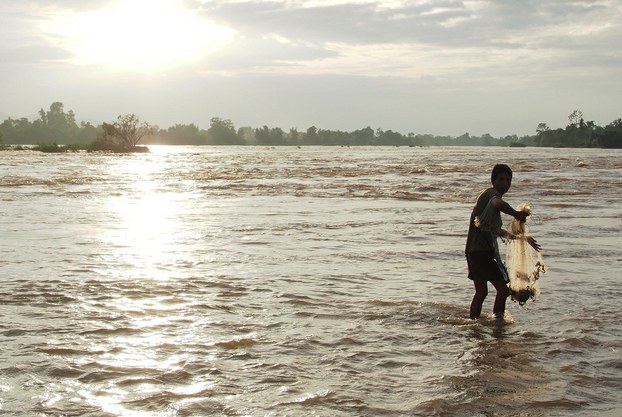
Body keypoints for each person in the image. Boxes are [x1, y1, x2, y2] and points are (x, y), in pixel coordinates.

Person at [465, 164, 541, 320]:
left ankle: (473, 324)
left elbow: (498, 231)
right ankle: (498, 323)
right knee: (503, 290)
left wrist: (523, 238)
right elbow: (497, 203)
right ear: (493, 181)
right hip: (480, 252)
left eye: (508, 180)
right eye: (501, 179)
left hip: (474, 251)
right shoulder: (491, 195)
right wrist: (515, 214)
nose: (504, 183)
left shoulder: (488, 206)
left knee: (482, 292)